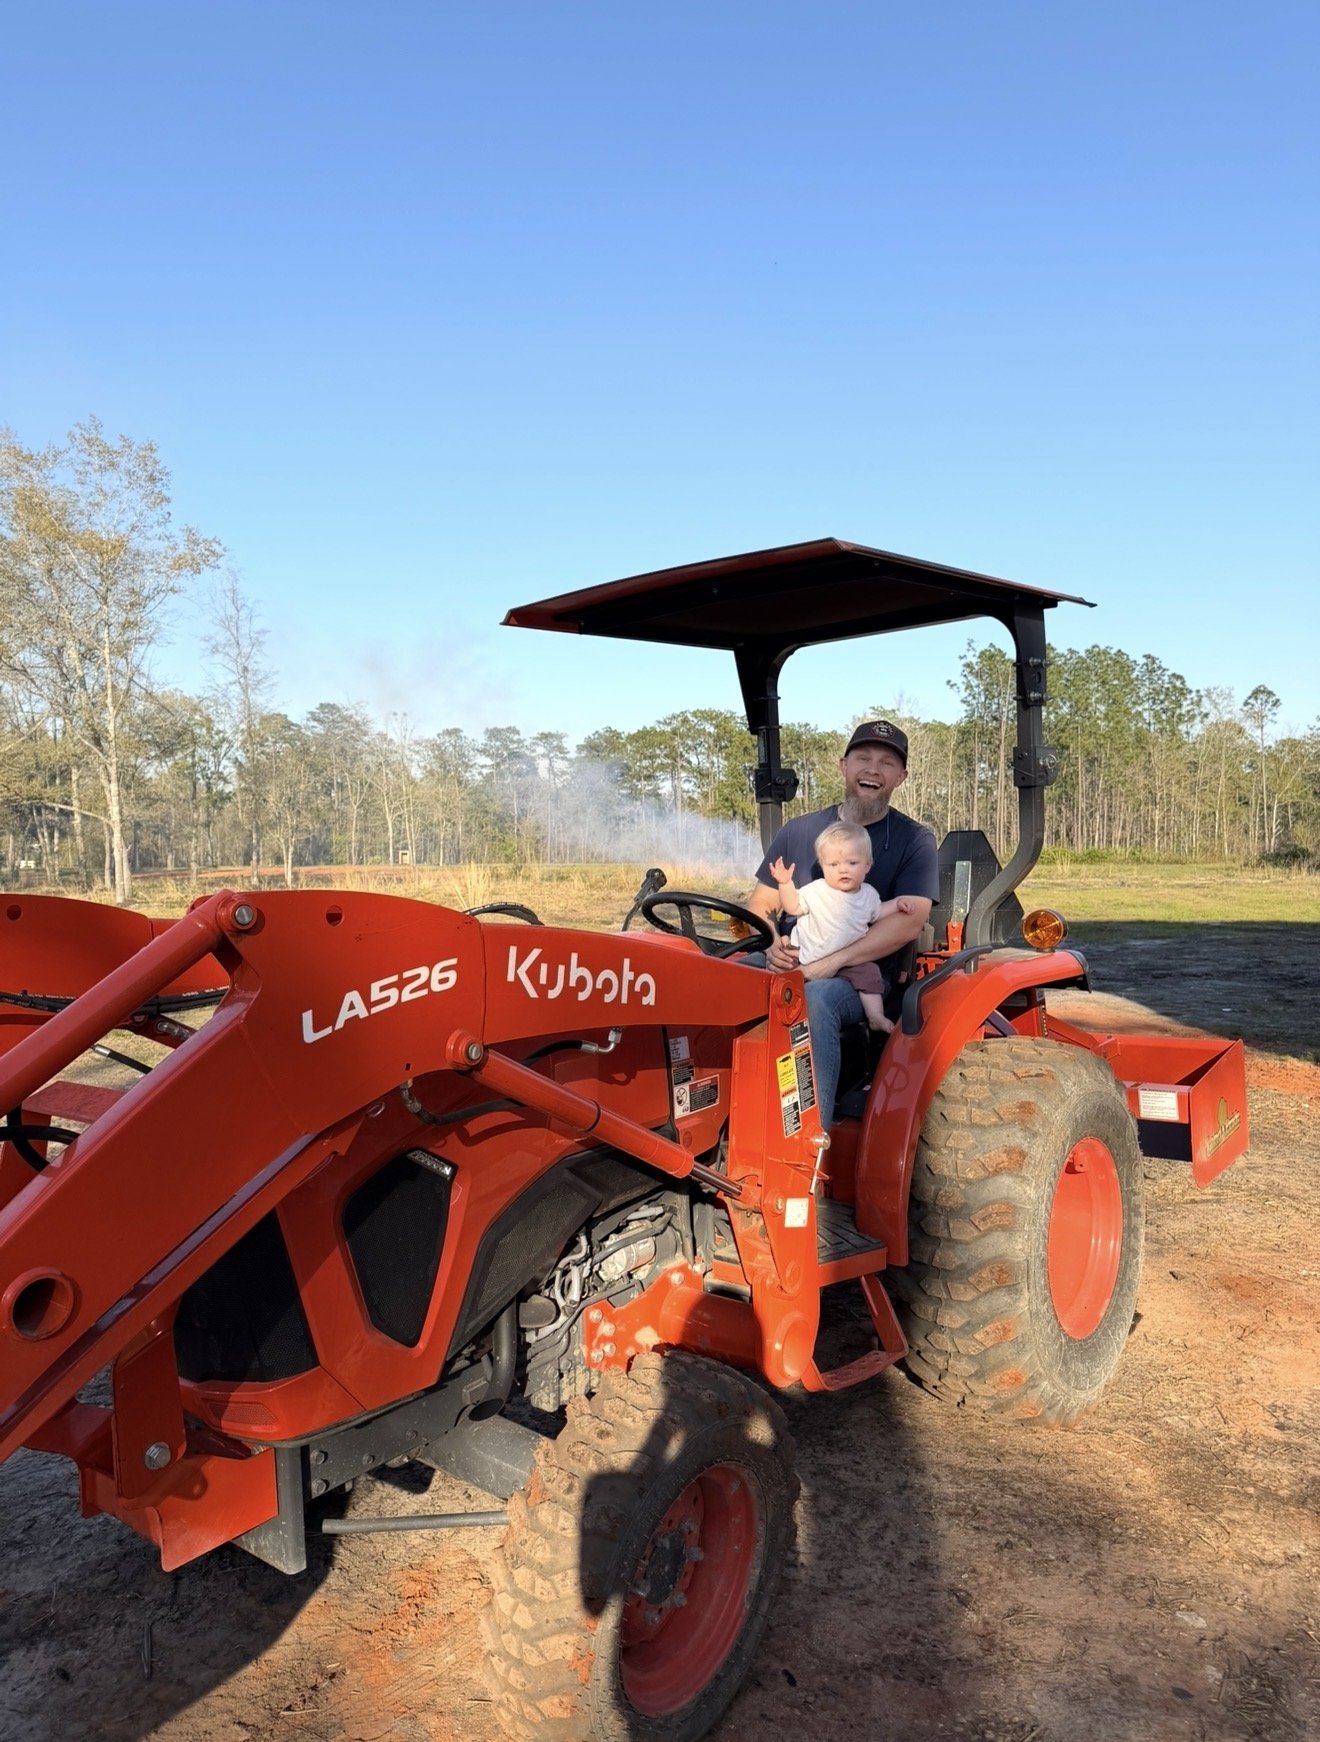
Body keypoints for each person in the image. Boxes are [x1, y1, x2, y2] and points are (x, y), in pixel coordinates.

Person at [746, 720, 939, 1128]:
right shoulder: (799, 831)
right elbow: (762, 902)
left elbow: (910, 921)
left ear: (900, 778)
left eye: (887, 763)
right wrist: (770, 945)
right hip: (790, 958)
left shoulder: (913, 839)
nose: (873, 769)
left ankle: (813, 1139)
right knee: (715, 975)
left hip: (863, 978)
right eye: (863, 758)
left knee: (815, 999)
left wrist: (832, 962)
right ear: (843, 766)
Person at [769, 822, 919, 1033]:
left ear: (867, 865)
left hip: (848, 963)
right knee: (773, 970)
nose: (843, 870)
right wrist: (785, 884)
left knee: (870, 975)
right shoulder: (815, 891)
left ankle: (875, 1016)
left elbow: (877, 913)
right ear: (822, 866)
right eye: (833, 864)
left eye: (852, 863)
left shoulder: (868, 895)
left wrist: (896, 904)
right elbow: (792, 905)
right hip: (804, 956)